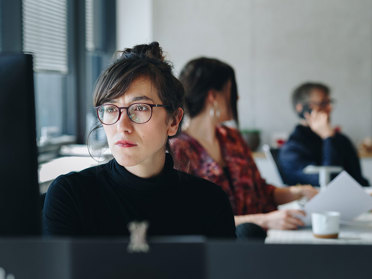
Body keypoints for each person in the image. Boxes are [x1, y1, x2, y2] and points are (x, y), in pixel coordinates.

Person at [43, 42, 236, 238]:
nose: (122, 126)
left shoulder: (209, 202)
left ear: (174, 121)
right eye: (110, 109)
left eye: (140, 108)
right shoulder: (71, 196)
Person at [170, 57, 318, 232]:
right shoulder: (177, 150)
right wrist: (264, 221)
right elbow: (193, 220)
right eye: (231, 91)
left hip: (260, 241)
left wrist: (298, 192)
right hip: (217, 251)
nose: (237, 98)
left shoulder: (232, 139)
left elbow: (261, 192)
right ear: (213, 96)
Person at [278, 82, 369, 186]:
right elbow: (329, 184)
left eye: (329, 102)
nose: (329, 108)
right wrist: (327, 138)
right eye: (323, 103)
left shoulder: (341, 140)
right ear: (301, 108)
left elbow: (359, 181)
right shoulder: (292, 149)